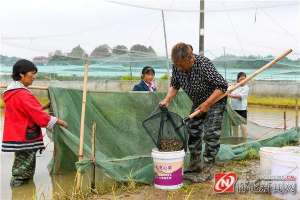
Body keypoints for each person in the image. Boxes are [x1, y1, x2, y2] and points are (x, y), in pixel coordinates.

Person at [159, 43, 228, 183]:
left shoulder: (203, 64)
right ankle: (195, 165)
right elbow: (175, 84)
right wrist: (167, 99)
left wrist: (207, 104)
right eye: (177, 65)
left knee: (211, 134)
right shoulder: (178, 66)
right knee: (193, 131)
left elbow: (222, 86)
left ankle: (208, 169)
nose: (179, 68)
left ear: (190, 59)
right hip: (198, 102)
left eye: (181, 65)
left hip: (215, 100)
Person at [1, 59, 68, 187]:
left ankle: (22, 193)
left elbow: (28, 111)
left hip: (18, 134)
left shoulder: (11, 92)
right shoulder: (22, 94)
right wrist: (59, 121)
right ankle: (19, 192)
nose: (34, 77)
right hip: (25, 135)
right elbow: (38, 116)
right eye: (32, 73)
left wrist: (43, 108)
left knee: (22, 167)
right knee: (22, 172)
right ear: (21, 74)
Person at [229, 72, 249, 138]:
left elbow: (239, 96)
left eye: (244, 79)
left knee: (243, 127)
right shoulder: (235, 86)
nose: (243, 80)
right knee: (235, 127)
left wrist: (229, 95)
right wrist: (232, 86)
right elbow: (228, 89)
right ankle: (236, 142)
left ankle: (244, 142)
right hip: (233, 109)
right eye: (241, 79)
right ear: (238, 79)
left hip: (242, 110)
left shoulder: (246, 88)